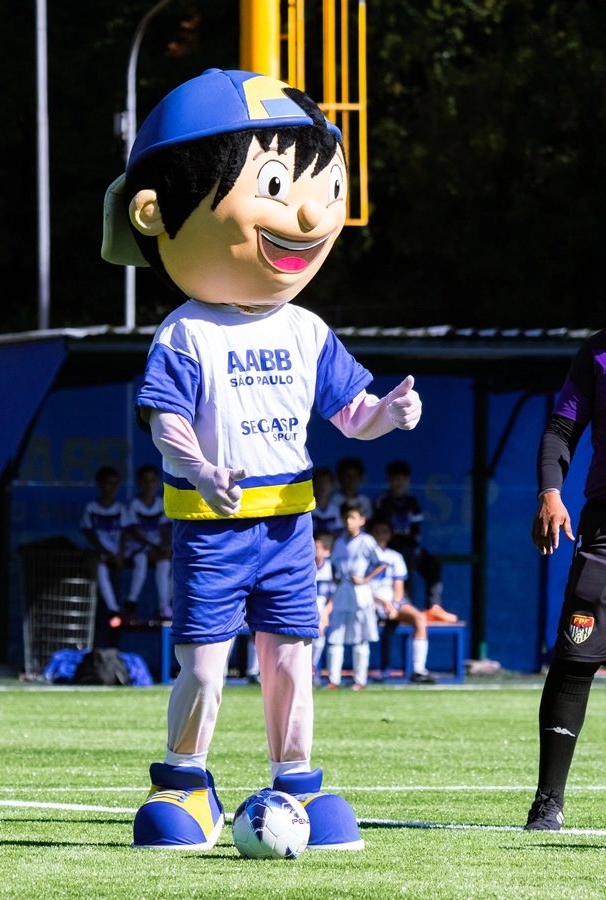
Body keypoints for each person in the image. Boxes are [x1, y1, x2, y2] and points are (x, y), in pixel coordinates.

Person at [101, 68, 422, 851]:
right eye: (277, 183)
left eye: (321, 184)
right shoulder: (186, 332)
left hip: (288, 529)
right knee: (206, 669)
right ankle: (183, 784)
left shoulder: (306, 329)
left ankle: (298, 787)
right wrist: (200, 469)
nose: (309, 213)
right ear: (156, 212)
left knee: (291, 664)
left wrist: (388, 415)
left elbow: (349, 413)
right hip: (212, 530)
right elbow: (163, 419)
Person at [524, 330, 606, 832]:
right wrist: (550, 493)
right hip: (603, 530)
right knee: (576, 659)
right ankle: (548, 803)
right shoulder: (596, 352)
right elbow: (560, 429)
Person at [368, 514, 437, 684]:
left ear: (390, 534)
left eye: (384, 531)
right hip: (368, 604)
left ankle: (418, 670)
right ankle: (362, 673)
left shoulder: (395, 557)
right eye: (376, 531)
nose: (380, 535)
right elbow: (359, 586)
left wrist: (394, 605)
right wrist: (378, 603)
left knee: (419, 618)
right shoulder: (363, 556)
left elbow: (398, 588)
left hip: (392, 605)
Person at [326, 501, 385, 690]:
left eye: (353, 518)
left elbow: (381, 563)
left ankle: (360, 680)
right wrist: (335, 578)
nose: (349, 522)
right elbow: (334, 564)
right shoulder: (339, 542)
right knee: (335, 635)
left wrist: (365, 578)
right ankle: (333, 680)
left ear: (361, 520)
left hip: (360, 594)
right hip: (342, 592)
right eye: (346, 518)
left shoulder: (366, 540)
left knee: (360, 637)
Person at [374, 460, 443, 609]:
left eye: (403, 479)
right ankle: (406, 608)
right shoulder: (382, 501)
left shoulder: (413, 502)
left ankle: (433, 607)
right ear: (389, 480)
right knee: (404, 564)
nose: (399, 482)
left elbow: (416, 530)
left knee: (433, 565)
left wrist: (414, 547)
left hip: (410, 547)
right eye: (395, 478)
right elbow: (379, 531)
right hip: (391, 549)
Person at [79, 466, 129, 645]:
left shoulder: (121, 508)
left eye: (115, 484)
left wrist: (120, 555)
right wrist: (105, 552)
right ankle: (113, 609)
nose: (112, 488)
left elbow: (125, 534)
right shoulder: (91, 508)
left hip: (117, 561)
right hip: (101, 558)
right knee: (101, 608)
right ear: (99, 485)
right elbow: (90, 535)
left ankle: (123, 607)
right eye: (108, 484)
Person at [125, 464, 173, 619]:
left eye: (152, 481)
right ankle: (131, 601)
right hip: (138, 547)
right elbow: (135, 533)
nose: (149, 485)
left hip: (157, 549)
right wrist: (156, 547)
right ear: (139, 483)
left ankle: (163, 607)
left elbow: (166, 530)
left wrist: (166, 547)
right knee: (140, 560)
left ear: (158, 483)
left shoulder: (161, 503)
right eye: (145, 481)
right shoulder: (134, 504)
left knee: (166, 563)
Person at [312, 531, 335, 685]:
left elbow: (334, 596)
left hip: (325, 608)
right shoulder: (305, 567)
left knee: (321, 627)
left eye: (317, 548)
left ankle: (312, 666)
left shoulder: (331, 568)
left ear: (327, 551)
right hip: (307, 607)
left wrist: (326, 612)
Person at [311, 467, 342, 535]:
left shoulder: (337, 510)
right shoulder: (307, 510)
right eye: (318, 482)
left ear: (332, 485)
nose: (322, 486)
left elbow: (339, 534)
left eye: (325, 482)